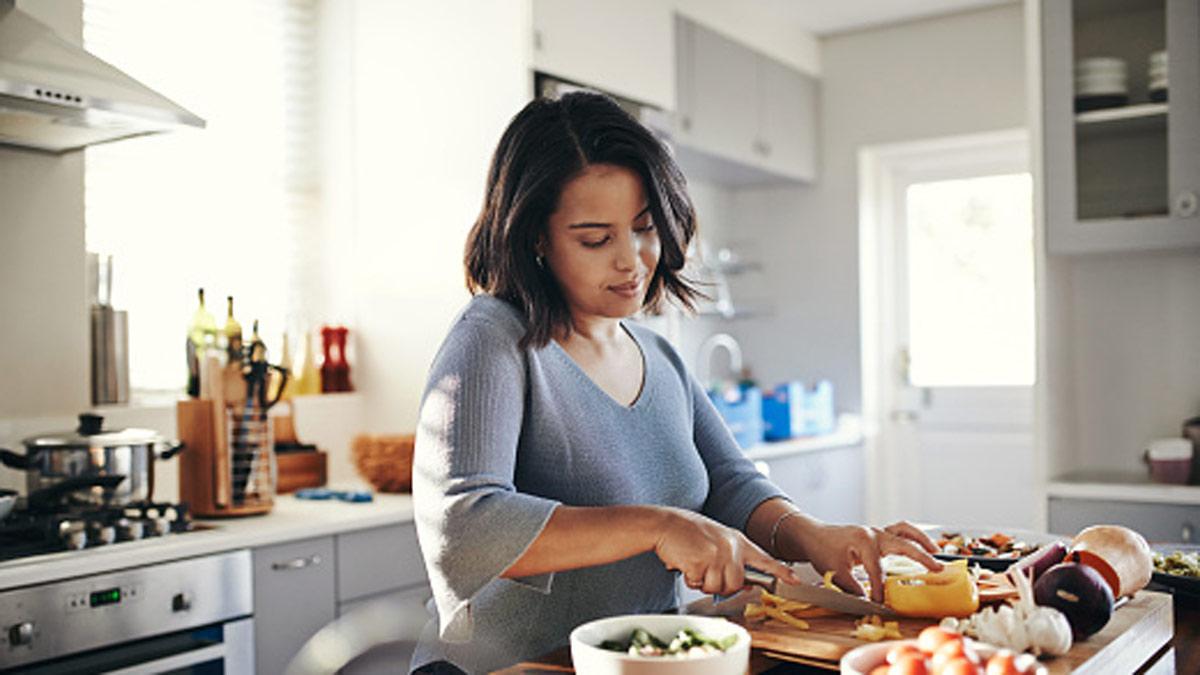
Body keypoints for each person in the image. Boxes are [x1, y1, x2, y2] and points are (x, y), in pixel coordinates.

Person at [410, 92, 942, 674]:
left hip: (642, 661)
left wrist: (811, 535)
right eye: (595, 238)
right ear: (535, 237)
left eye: (644, 228)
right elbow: (463, 524)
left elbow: (731, 483)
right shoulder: (492, 337)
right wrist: (659, 525)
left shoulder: (657, 353)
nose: (632, 260)